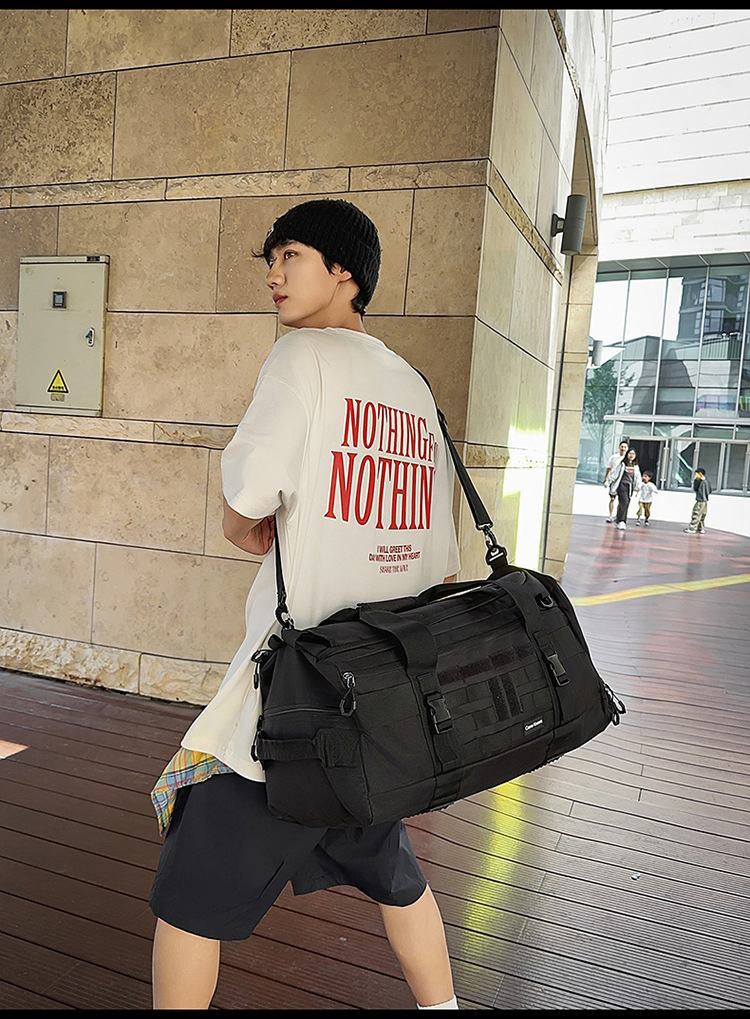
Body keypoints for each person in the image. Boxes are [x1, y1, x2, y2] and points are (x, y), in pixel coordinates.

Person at [148, 199, 461, 1010]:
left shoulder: (300, 358)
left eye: (290, 254)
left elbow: (249, 494)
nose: (273, 274)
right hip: (383, 695)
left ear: (345, 270)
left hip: (295, 699)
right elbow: (441, 552)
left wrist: (237, 520)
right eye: (271, 259)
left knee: (187, 899)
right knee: (395, 873)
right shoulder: (412, 384)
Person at [608, 447, 641, 531]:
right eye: (630, 453)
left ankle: (618, 520)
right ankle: (622, 521)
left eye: (633, 454)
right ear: (627, 454)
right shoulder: (622, 464)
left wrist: (638, 485)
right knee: (624, 502)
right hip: (622, 485)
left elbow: (638, 477)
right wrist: (610, 481)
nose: (631, 455)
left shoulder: (635, 466)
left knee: (626, 504)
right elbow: (615, 473)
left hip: (630, 487)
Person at [602, 440, 629, 521]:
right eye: (622, 447)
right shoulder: (613, 457)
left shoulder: (627, 458)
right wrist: (606, 478)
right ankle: (610, 515)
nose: (623, 448)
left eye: (625, 447)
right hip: (613, 480)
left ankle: (617, 516)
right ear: (619, 447)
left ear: (627, 448)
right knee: (612, 498)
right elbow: (609, 468)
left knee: (621, 500)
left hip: (622, 481)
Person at [684, 467, 712, 534]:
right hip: (705, 501)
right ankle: (700, 528)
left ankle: (692, 528)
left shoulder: (703, 482)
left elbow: (699, 490)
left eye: (697, 474)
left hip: (700, 500)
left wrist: (699, 481)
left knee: (696, 513)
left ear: (700, 474)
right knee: (702, 515)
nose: (696, 475)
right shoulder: (705, 482)